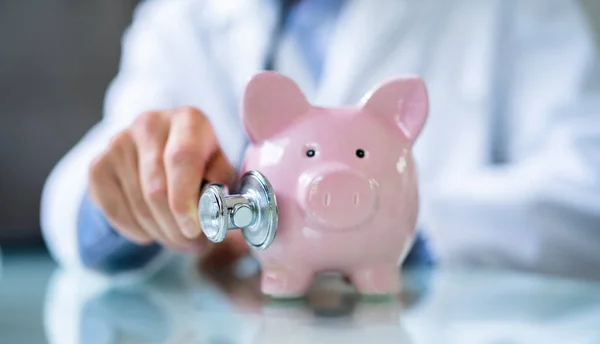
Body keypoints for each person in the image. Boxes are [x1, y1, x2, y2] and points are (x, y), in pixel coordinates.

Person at [41, 0, 600, 279]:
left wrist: (386, 231)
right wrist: (130, 202)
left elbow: (587, 189)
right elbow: (95, 170)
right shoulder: (185, 14)